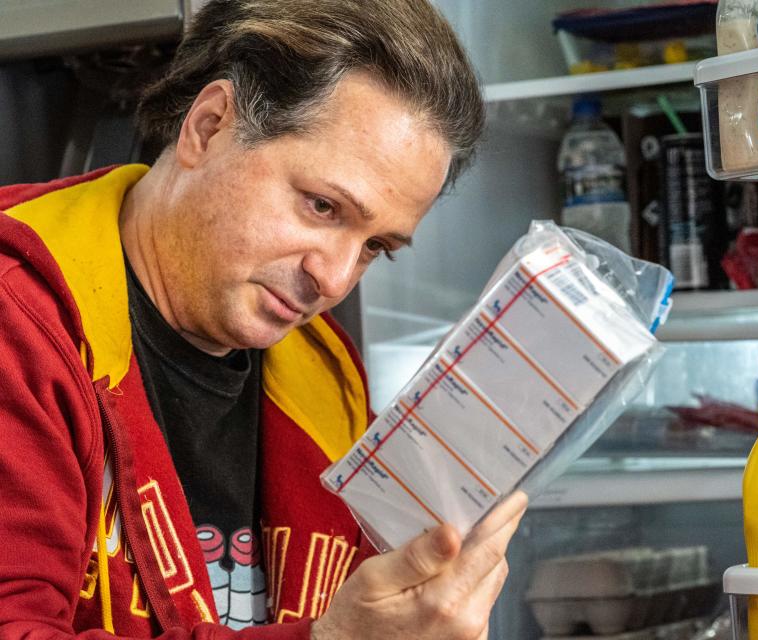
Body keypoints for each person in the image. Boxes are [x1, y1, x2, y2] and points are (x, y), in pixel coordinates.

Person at [0, 0, 527, 638]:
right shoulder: (21, 319)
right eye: (323, 206)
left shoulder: (323, 375)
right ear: (210, 125)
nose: (333, 279)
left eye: (375, 247)